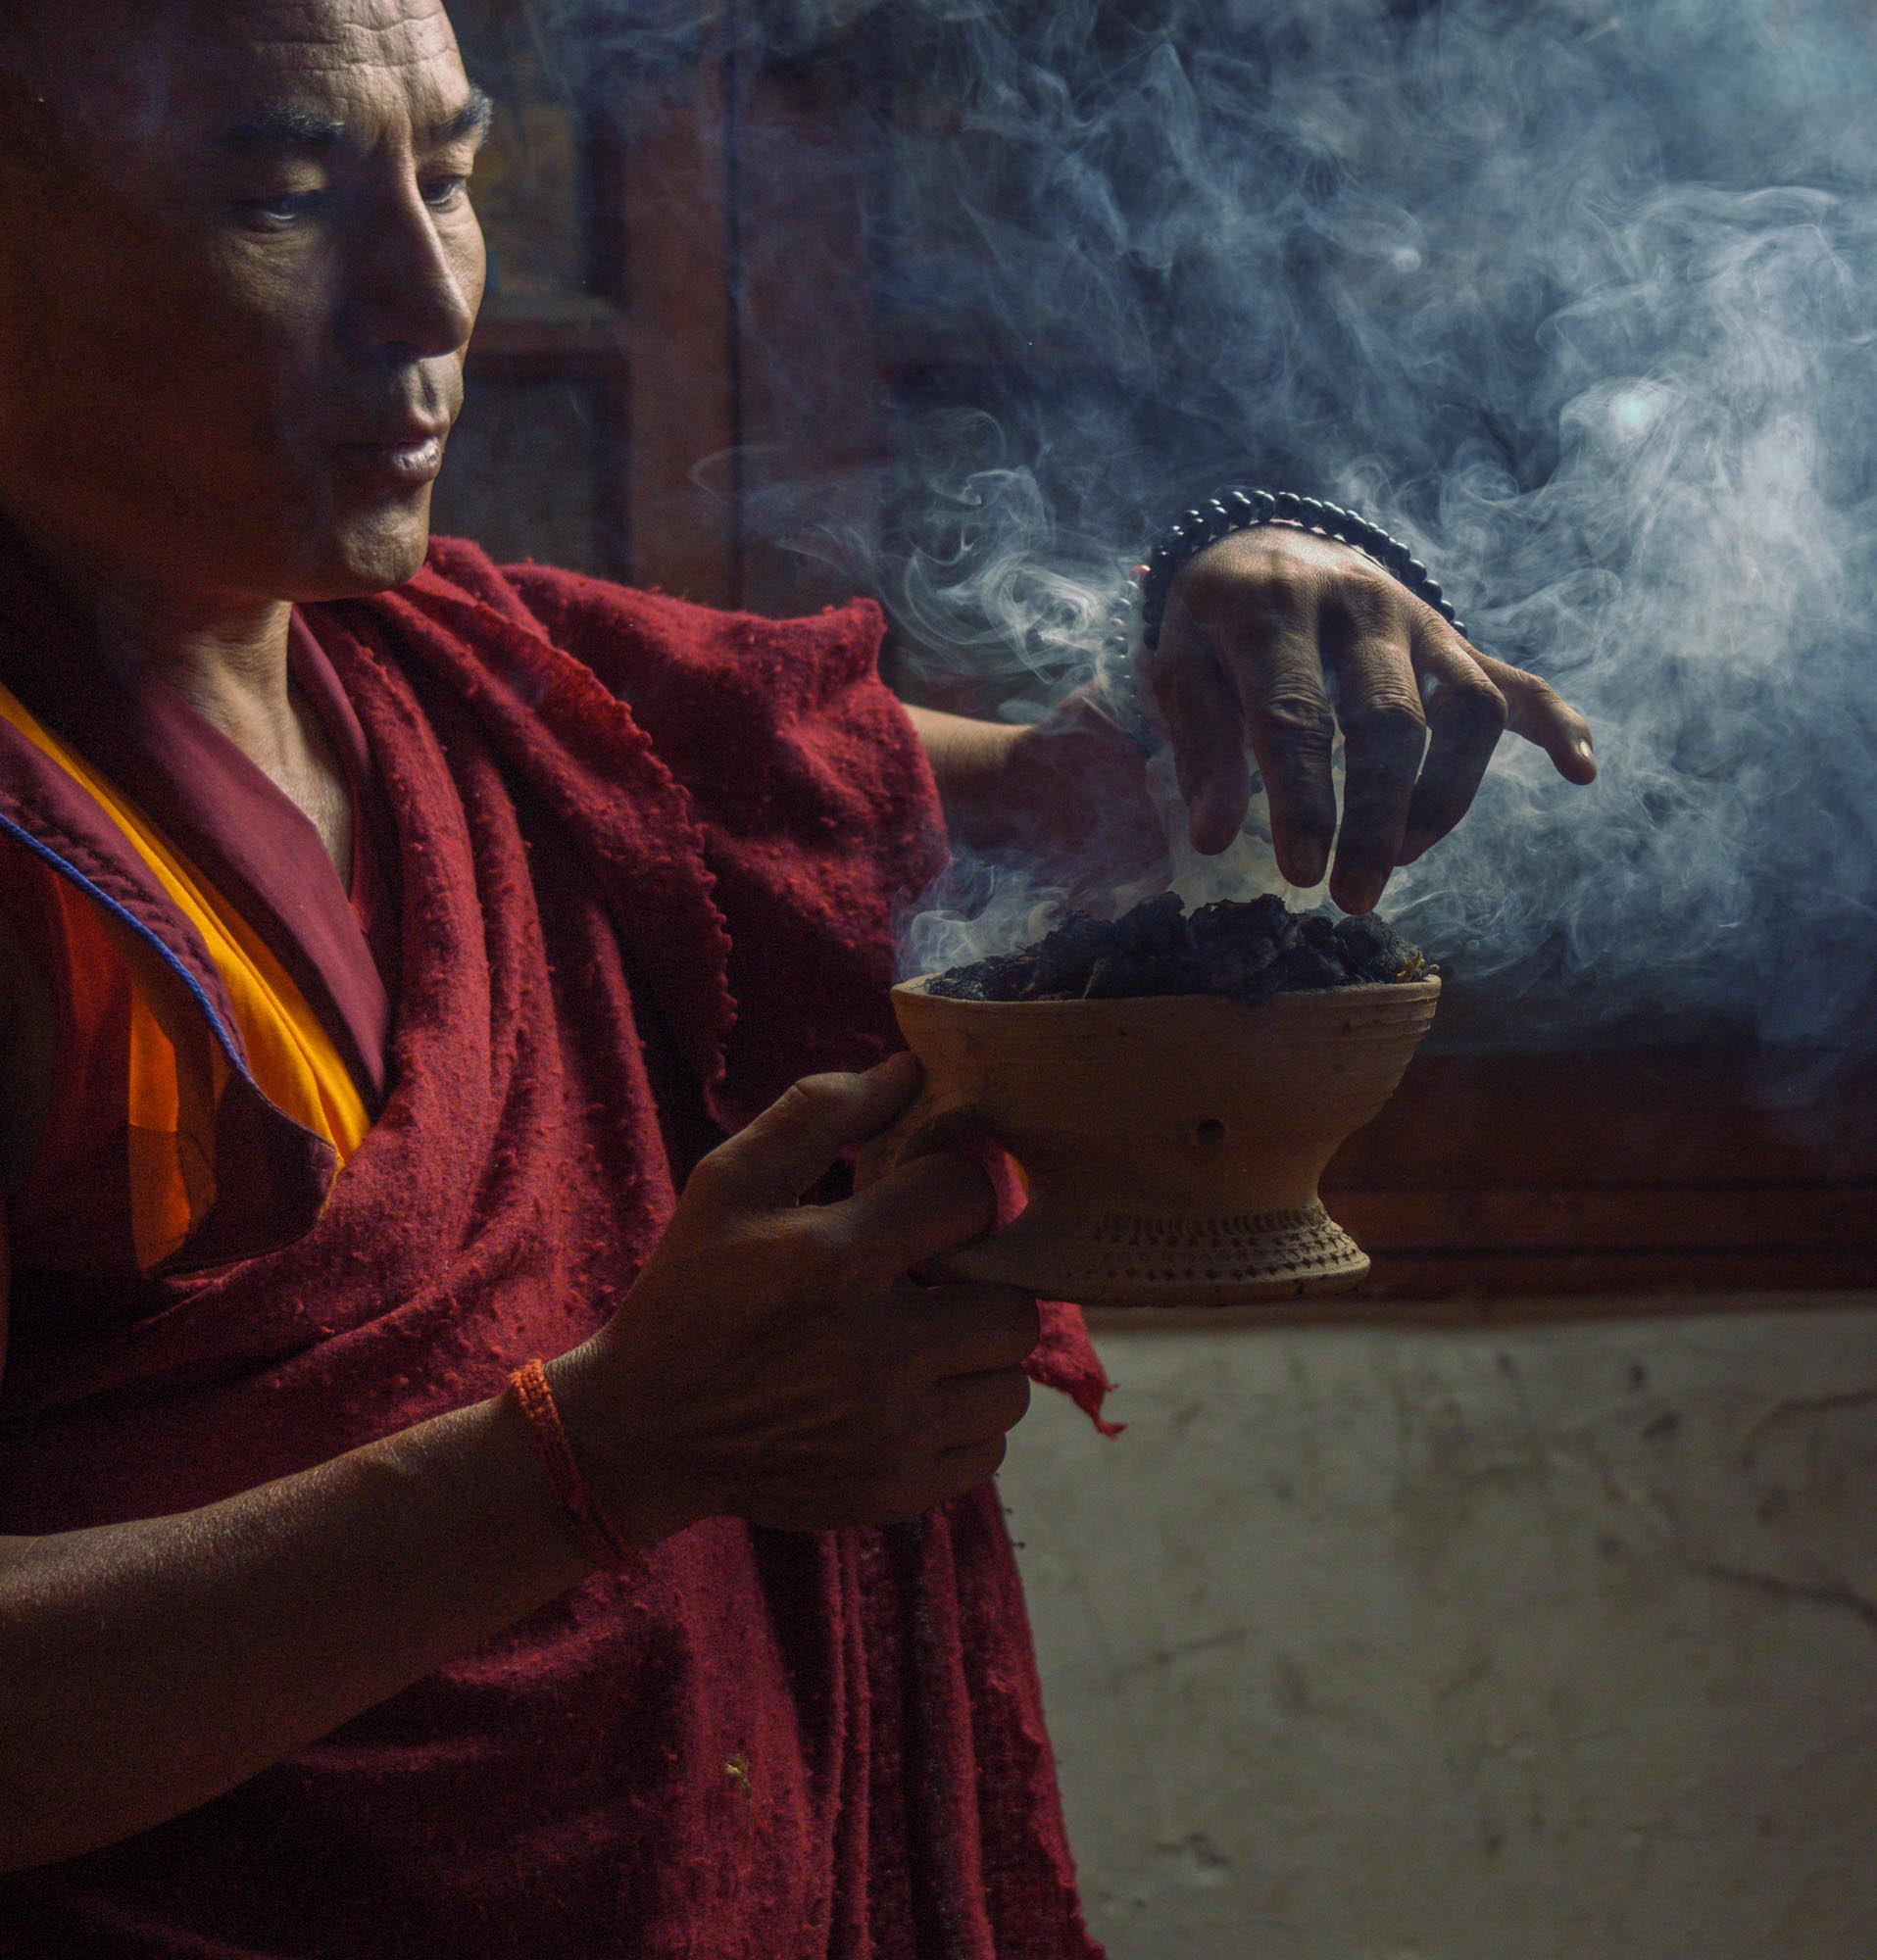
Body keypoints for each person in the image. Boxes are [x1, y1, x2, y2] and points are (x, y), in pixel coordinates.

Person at [0, 2, 1596, 1952]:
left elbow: (1128, 812)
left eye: (453, 175)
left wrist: (1257, 582)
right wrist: (610, 1453)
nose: (427, 298)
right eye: (280, 196)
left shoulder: (484, 691)